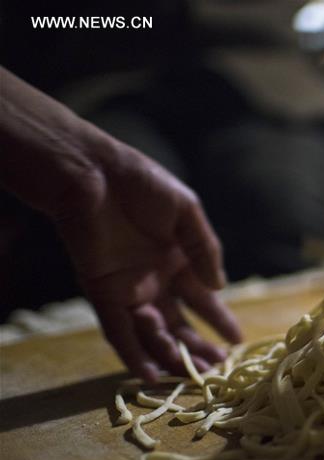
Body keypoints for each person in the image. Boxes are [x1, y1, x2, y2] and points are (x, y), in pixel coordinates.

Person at [0, 66, 242, 382]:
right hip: (95, 79)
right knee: (52, 259)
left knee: (281, 205)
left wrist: (88, 171)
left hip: (251, 80)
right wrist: (85, 168)